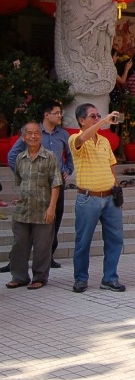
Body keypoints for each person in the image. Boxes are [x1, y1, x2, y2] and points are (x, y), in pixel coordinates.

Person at [7, 99, 73, 269]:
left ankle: (48, 256)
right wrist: (22, 173)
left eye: (60, 113)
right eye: (57, 113)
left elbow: (70, 155)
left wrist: (67, 169)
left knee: (53, 219)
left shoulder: (63, 134)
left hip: (56, 185)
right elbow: (13, 155)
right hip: (33, 186)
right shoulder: (33, 132)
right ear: (46, 115)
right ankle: (17, 260)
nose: (60, 116)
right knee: (26, 222)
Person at [69, 104, 125, 294]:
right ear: (81, 121)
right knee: (83, 241)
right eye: (92, 116)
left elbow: (111, 167)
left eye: (98, 116)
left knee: (115, 240)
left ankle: (110, 278)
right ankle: (81, 279)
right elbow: (82, 138)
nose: (97, 119)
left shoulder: (104, 142)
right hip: (88, 198)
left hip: (110, 197)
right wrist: (103, 122)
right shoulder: (75, 139)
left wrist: (117, 190)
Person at [5, 122, 62, 290]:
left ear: (41, 136)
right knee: (19, 245)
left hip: (43, 209)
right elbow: (19, 182)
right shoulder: (19, 158)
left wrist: (52, 208)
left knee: (42, 246)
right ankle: (19, 276)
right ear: (23, 137)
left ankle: (39, 277)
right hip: (23, 210)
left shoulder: (50, 156)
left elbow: (56, 183)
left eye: (36, 133)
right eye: (29, 133)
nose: (33, 136)